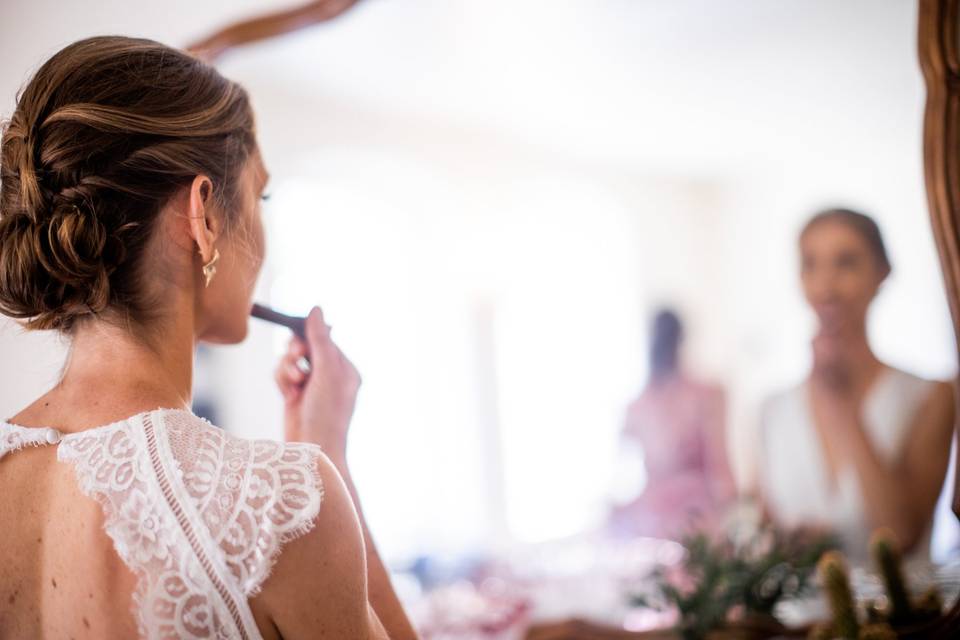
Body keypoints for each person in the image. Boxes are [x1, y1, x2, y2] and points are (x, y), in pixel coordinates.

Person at [0, 36, 417, 639]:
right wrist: (330, 454)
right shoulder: (277, 503)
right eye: (260, 194)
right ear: (206, 216)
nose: (264, 230)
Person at [757, 208, 956, 561]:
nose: (826, 286)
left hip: (903, 614)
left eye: (846, 263)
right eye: (810, 264)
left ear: (882, 272)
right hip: (800, 615)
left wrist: (841, 408)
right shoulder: (773, 409)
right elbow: (764, 534)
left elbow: (900, 534)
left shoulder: (931, 396)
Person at [610, 309, 735, 538]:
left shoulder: (706, 394)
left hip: (694, 517)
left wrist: (732, 513)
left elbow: (719, 465)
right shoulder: (638, 405)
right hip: (652, 520)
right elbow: (619, 470)